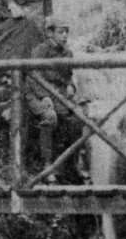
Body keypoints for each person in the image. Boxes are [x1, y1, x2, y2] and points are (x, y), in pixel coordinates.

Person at [27, 17, 84, 182]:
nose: (65, 36)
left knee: (78, 116)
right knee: (50, 116)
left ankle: (73, 163)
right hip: (36, 93)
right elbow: (33, 77)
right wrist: (43, 95)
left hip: (58, 94)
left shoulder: (67, 53)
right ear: (49, 33)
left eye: (67, 32)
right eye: (61, 32)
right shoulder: (39, 51)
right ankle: (47, 165)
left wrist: (71, 86)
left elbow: (68, 77)